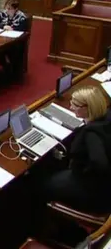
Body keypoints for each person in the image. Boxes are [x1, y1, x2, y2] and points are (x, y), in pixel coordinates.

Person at [45, 86, 111, 214]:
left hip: (94, 190)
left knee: (42, 184)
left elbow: (100, 164)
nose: (70, 107)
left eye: (74, 104)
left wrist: (84, 174)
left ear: (86, 108)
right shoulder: (108, 116)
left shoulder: (91, 134)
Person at [0, 0, 29, 79]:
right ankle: (5, 66)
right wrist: (3, 26)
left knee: (16, 49)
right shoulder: (2, 14)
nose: (7, 10)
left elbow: (22, 30)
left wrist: (13, 29)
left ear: (16, 9)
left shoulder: (21, 17)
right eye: (6, 8)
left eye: (9, 9)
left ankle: (14, 71)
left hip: (16, 42)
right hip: (2, 39)